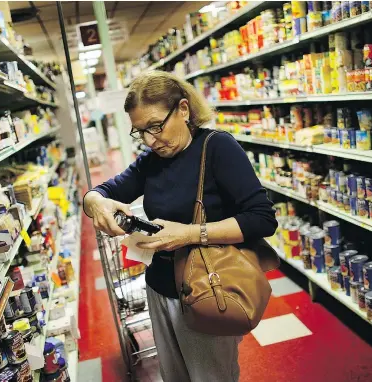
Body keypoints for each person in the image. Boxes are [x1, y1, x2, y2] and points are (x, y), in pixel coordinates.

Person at [83, 71, 277, 382]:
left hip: (206, 289)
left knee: (211, 376)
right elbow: (104, 190)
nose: (150, 140)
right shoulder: (152, 160)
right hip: (160, 288)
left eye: (156, 126)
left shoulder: (217, 148)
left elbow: (262, 219)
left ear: (183, 109)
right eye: (140, 131)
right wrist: (95, 202)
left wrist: (189, 233)